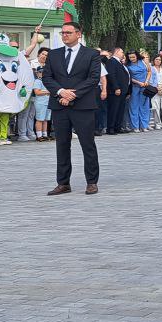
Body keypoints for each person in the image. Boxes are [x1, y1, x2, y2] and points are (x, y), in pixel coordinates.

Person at [41, 20, 102, 196]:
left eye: (68, 32)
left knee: (87, 144)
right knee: (62, 145)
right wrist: (61, 92)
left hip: (83, 105)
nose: (65, 35)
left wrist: (73, 94)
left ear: (78, 34)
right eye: (63, 33)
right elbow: (47, 78)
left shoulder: (91, 54)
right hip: (59, 105)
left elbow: (93, 78)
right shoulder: (54, 54)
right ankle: (63, 183)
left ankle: (91, 182)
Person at [104, 50, 129, 135]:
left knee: (120, 110)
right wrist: (116, 87)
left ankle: (117, 127)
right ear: (117, 52)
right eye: (122, 52)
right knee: (113, 110)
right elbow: (111, 75)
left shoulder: (119, 62)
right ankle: (110, 128)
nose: (123, 54)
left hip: (122, 90)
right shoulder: (111, 61)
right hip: (115, 91)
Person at [126, 51, 151, 131]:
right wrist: (139, 82)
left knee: (144, 106)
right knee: (134, 107)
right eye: (130, 57)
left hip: (144, 87)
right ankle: (135, 126)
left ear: (137, 56)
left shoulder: (143, 61)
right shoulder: (127, 65)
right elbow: (129, 77)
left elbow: (149, 71)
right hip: (134, 87)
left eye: (133, 57)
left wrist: (146, 81)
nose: (132, 59)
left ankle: (144, 126)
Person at [32, 48, 51, 141]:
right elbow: (37, 92)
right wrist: (48, 92)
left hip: (47, 102)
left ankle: (45, 134)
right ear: (37, 73)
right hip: (40, 102)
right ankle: (39, 136)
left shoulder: (47, 81)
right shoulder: (37, 81)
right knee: (39, 119)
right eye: (40, 72)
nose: (42, 73)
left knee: (46, 119)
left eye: (43, 72)